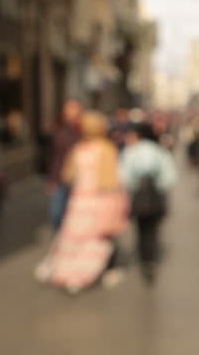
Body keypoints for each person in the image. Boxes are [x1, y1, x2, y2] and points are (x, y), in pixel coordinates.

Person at [35, 112, 130, 294]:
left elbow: (68, 175)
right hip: (97, 200)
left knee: (76, 238)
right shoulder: (106, 148)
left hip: (79, 201)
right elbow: (112, 181)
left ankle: (69, 272)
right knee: (97, 239)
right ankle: (93, 272)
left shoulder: (79, 149)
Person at [120, 123, 177, 283]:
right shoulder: (160, 151)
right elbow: (169, 178)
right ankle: (150, 260)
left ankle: (144, 257)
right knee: (153, 229)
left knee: (141, 228)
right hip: (156, 196)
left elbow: (124, 177)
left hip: (138, 196)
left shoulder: (131, 151)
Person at [47, 100, 84, 230]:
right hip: (60, 178)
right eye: (68, 112)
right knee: (56, 214)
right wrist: (52, 179)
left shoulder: (84, 130)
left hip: (79, 179)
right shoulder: (58, 130)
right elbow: (54, 157)